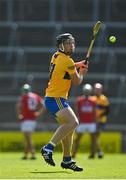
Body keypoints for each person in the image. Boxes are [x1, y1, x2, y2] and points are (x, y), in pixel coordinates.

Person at [41, 33, 88, 171]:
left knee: (69, 130)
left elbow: (68, 67)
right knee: (73, 123)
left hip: (52, 97)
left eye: (72, 43)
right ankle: (48, 148)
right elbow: (77, 81)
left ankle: (67, 160)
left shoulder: (56, 56)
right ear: (61, 45)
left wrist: (79, 65)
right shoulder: (67, 61)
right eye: (67, 43)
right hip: (56, 98)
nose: (71, 45)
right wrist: (83, 72)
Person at [16, 84, 45, 160]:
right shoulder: (35, 96)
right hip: (32, 118)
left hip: (26, 118)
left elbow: (18, 106)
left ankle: (33, 153)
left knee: (28, 137)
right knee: (27, 137)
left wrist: (19, 114)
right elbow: (43, 105)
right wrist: (38, 113)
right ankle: (25, 154)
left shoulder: (24, 97)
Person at [72, 83, 97, 159]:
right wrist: (77, 118)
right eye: (86, 91)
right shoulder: (79, 100)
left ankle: (92, 154)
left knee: (93, 139)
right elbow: (76, 110)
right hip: (82, 122)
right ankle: (73, 153)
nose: (87, 92)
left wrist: (95, 120)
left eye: (88, 91)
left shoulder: (93, 100)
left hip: (91, 122)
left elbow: (94, 111)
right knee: (77, 139)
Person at [92, 83, 110, 158]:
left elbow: (107, 111)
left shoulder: (104, 99)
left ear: (101, 90)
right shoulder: (92, 99)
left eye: (98, 89)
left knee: (95, 136)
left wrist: (99, 116)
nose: (97, 91)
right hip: (93, 121)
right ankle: (95, 152)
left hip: (100, 121)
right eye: (96, 89)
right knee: (95, 137)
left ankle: (98, 152)